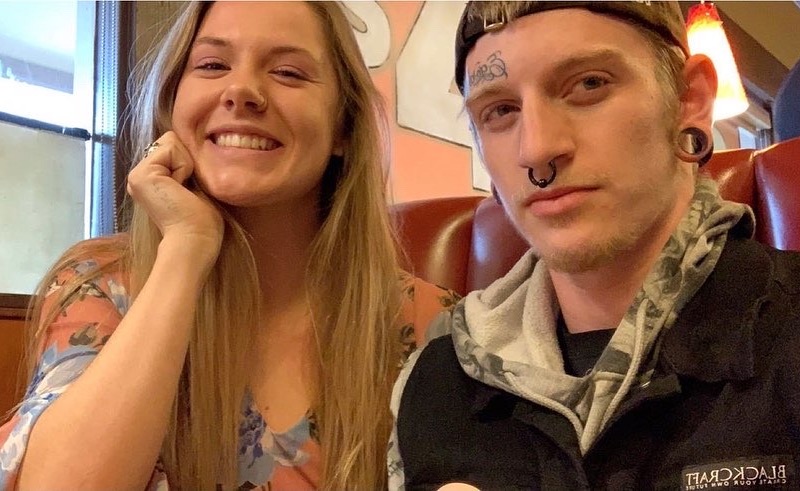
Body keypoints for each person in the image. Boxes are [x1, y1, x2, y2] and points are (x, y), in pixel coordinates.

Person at [389, 2, 800, 489]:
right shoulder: (430, 384)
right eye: (500, 111)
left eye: (588, 84)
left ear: (688, 100)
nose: (535, 150)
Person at [0, 2, 459, 490]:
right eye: (213, 65)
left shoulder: (436, 328)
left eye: (288, 72)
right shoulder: (99, 286)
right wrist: (186, 248)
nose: (240, 91)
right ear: (172, 107)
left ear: (343, 128)